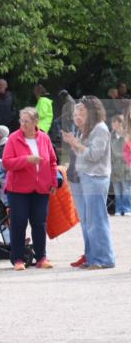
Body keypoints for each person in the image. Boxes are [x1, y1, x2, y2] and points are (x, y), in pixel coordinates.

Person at [2, 107, 58, 270]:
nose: (23, 124)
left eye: (27, 121)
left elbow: (53, 162)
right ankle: (18, 259)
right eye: (22, 121)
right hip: (18, 190)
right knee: (18, 224)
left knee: (40, 224)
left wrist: (53, 182)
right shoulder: (13, 138)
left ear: (36, 122)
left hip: (41, 189)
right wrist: (26, 160)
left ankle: (41, 258)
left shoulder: (45, 138)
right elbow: (6, 163)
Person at [62, 96, 115, 270]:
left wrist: (76, 144)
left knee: (97, 220)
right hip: (81, 178)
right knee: (86, 221)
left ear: (92, 112)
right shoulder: (82, 129)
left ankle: (104, 259)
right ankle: (92, 257)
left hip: (95, 178)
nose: (77, 115)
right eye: (76, 111)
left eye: (81, 111)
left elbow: (94, 155)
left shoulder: (100, 129)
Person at [111, 114, 131, 216]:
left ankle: (127, 209)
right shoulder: (111, 136)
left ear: (120, 123)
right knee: (117, 190)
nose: (112, 124)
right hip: (114, 167)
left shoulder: (127, 136)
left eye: (114, 122)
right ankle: (118, 209)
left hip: (126, 166)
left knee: (126, 189)